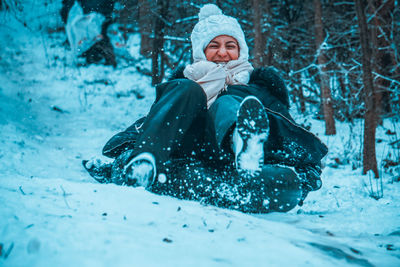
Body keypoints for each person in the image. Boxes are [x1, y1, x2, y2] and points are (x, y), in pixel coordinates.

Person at [83, 4, 328, 213]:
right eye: (214, 46)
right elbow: (149, 126)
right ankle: (143, 165)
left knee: (229, 102)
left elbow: (292, 141)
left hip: (235, 169)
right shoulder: (183, 88)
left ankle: (243, 143)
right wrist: (127, 155)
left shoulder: (260, 91)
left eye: (230, 45)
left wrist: (300, 181)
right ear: (201, 51)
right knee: (188, 90)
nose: (223, 52)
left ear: (241, 50)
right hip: (188, 155)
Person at [61, 0, 117, 67]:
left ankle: (97, 56)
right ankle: (102, 56)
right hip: (98, 12)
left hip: (91, 13)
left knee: (94, 36)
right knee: (99, 36)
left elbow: (66, 11)